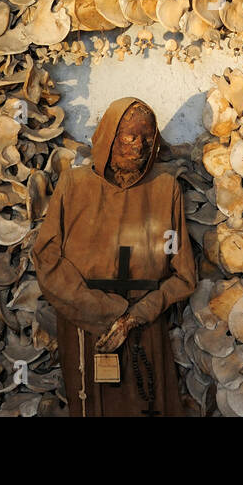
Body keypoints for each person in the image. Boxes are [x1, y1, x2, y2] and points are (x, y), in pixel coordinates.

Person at [32, 97, 197, 416]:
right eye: (131, 136)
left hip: (143, 326)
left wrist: (135, 316)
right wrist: (107, 313)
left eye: (148, 138)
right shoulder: (74, 184)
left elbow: (184, 275)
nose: (140, 147)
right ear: (109, 135)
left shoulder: (165, 190)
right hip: (85, 323)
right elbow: (47, 260)